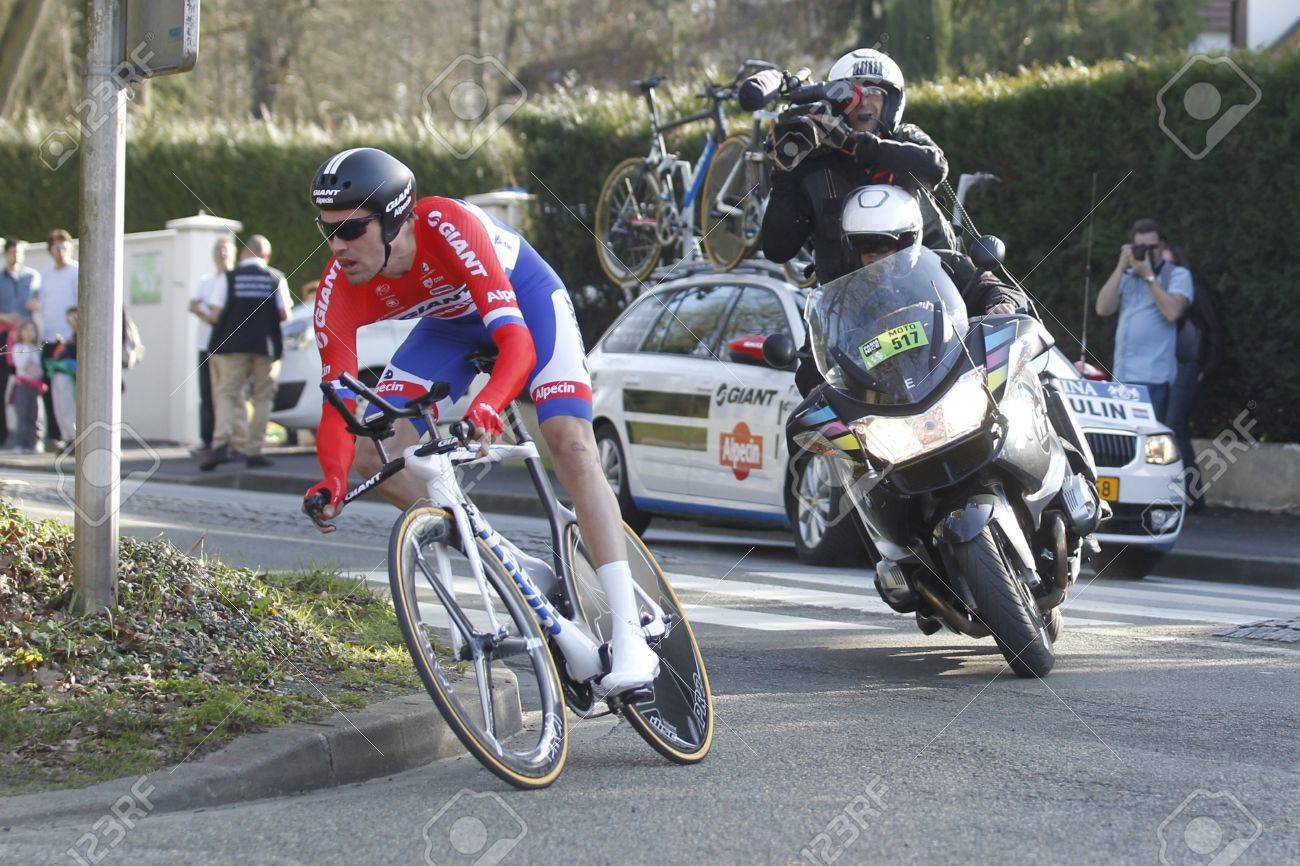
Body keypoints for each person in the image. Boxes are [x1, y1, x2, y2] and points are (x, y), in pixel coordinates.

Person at [302, 147, 658, 694]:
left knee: (569, 441)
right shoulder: (339, 289)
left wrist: (489, 404)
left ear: (398, 217)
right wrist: (331, 477)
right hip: (448, 328)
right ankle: (512, 563)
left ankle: (632, 635)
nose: (338, 247)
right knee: (375, 453)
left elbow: (514, 341)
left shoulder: (449, 224)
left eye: (351, 229)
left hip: (522, 301)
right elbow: (338, 406)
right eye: (328, 231)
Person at [794, 185, 1024, 396]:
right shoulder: (843, 298)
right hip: (888, 405)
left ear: (908, 241)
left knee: (1041, 385)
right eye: (866, 249)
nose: (876, 259)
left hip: (961, 384)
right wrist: (817, 384)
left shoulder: (948, 267)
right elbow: (812, 360)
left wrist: (1001, 304)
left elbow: (993, 287)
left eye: (884, 248)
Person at [761, 48, 955, 286]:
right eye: (852, 94)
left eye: (874, 92)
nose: (864, 102)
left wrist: (859, 145)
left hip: (926, 294)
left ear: (891, 103)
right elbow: (777, 250)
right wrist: (783, 171)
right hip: (850, 311)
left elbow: (935, 168)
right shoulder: (813, 160)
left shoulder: (905, 138)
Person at [200, 235, 292, 471]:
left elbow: (217, 312)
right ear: (266, 256)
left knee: (227, 394)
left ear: (242, 255)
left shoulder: (229, 278)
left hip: (232, 346)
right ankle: (254, 450)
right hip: (267, 346)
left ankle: (221, 445)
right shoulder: (275, 277)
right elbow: (285, 315)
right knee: (263, 397)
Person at [1094, 218, 1191, 423]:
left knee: (1149, 441)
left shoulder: (1177, 274)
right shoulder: (1127, 276)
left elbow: (1173, 312)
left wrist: (1148, 277)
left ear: (1163, 245)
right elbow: (1103, 308)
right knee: (1123, 437)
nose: (1147, 252)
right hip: (1123, 376)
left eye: (1152, 247)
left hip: (1153, 378)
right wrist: (1121, 267)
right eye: (1141, 247)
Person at [1164, 243, 1221, 511]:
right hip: (1168, 367)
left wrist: (1204, 368)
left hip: (1187, 366)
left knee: (1175, 426)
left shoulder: (1193, 294)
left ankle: (1194, 497)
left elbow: (1212, 331)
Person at [188, 236, 235, 455]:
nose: (221, 254)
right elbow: (192, 305)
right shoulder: (206, 281)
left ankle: (227, 441)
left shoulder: (234, 279)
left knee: (227, 394)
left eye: (225, 250)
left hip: (227, 347)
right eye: (218, 250)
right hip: (204, 344)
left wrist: (205, 312)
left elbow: (219, 316)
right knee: (207, 394)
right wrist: (210, 316)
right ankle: (208, 440)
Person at [33, 229, 77, 447]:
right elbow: (40, 305)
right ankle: (56, 435)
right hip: (50, 340)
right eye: (56, 247)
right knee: (51, 389)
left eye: (64, 247)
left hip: (71, 341)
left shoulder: (77, 272)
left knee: (70, 388)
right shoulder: (45, 276)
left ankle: (75, 435)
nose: (60, 251)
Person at [0, 237, 40, 448]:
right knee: (3, 385)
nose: (16, 256)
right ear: (6, 253)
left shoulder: (32, 277)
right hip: (3, 337)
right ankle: (4, 435)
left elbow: (41, 300)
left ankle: (33, 436)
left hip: (26, 339)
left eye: (20, 253)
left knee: (31, 384)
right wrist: (5, 318)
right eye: (13, 252)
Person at [7, 319, 44, 454]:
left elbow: (39, 369)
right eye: (26, 330)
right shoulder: (18, 348)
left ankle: (32, 443)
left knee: (33, 415)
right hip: (22, 385)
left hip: (34, 386)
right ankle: (19, 443)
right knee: (22, 415)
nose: (29, 333)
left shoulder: (36, 349)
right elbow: (21, 365)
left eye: (32, 330)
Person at [44, 307, 78, 448]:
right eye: (69, 319)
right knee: (60, 409)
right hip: (58, 375)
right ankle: (67, 439)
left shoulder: (84, 338)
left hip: (68, 377)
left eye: (75, 318)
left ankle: (75, 439)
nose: (71, 322)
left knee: (68, 408)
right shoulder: (69, 339)